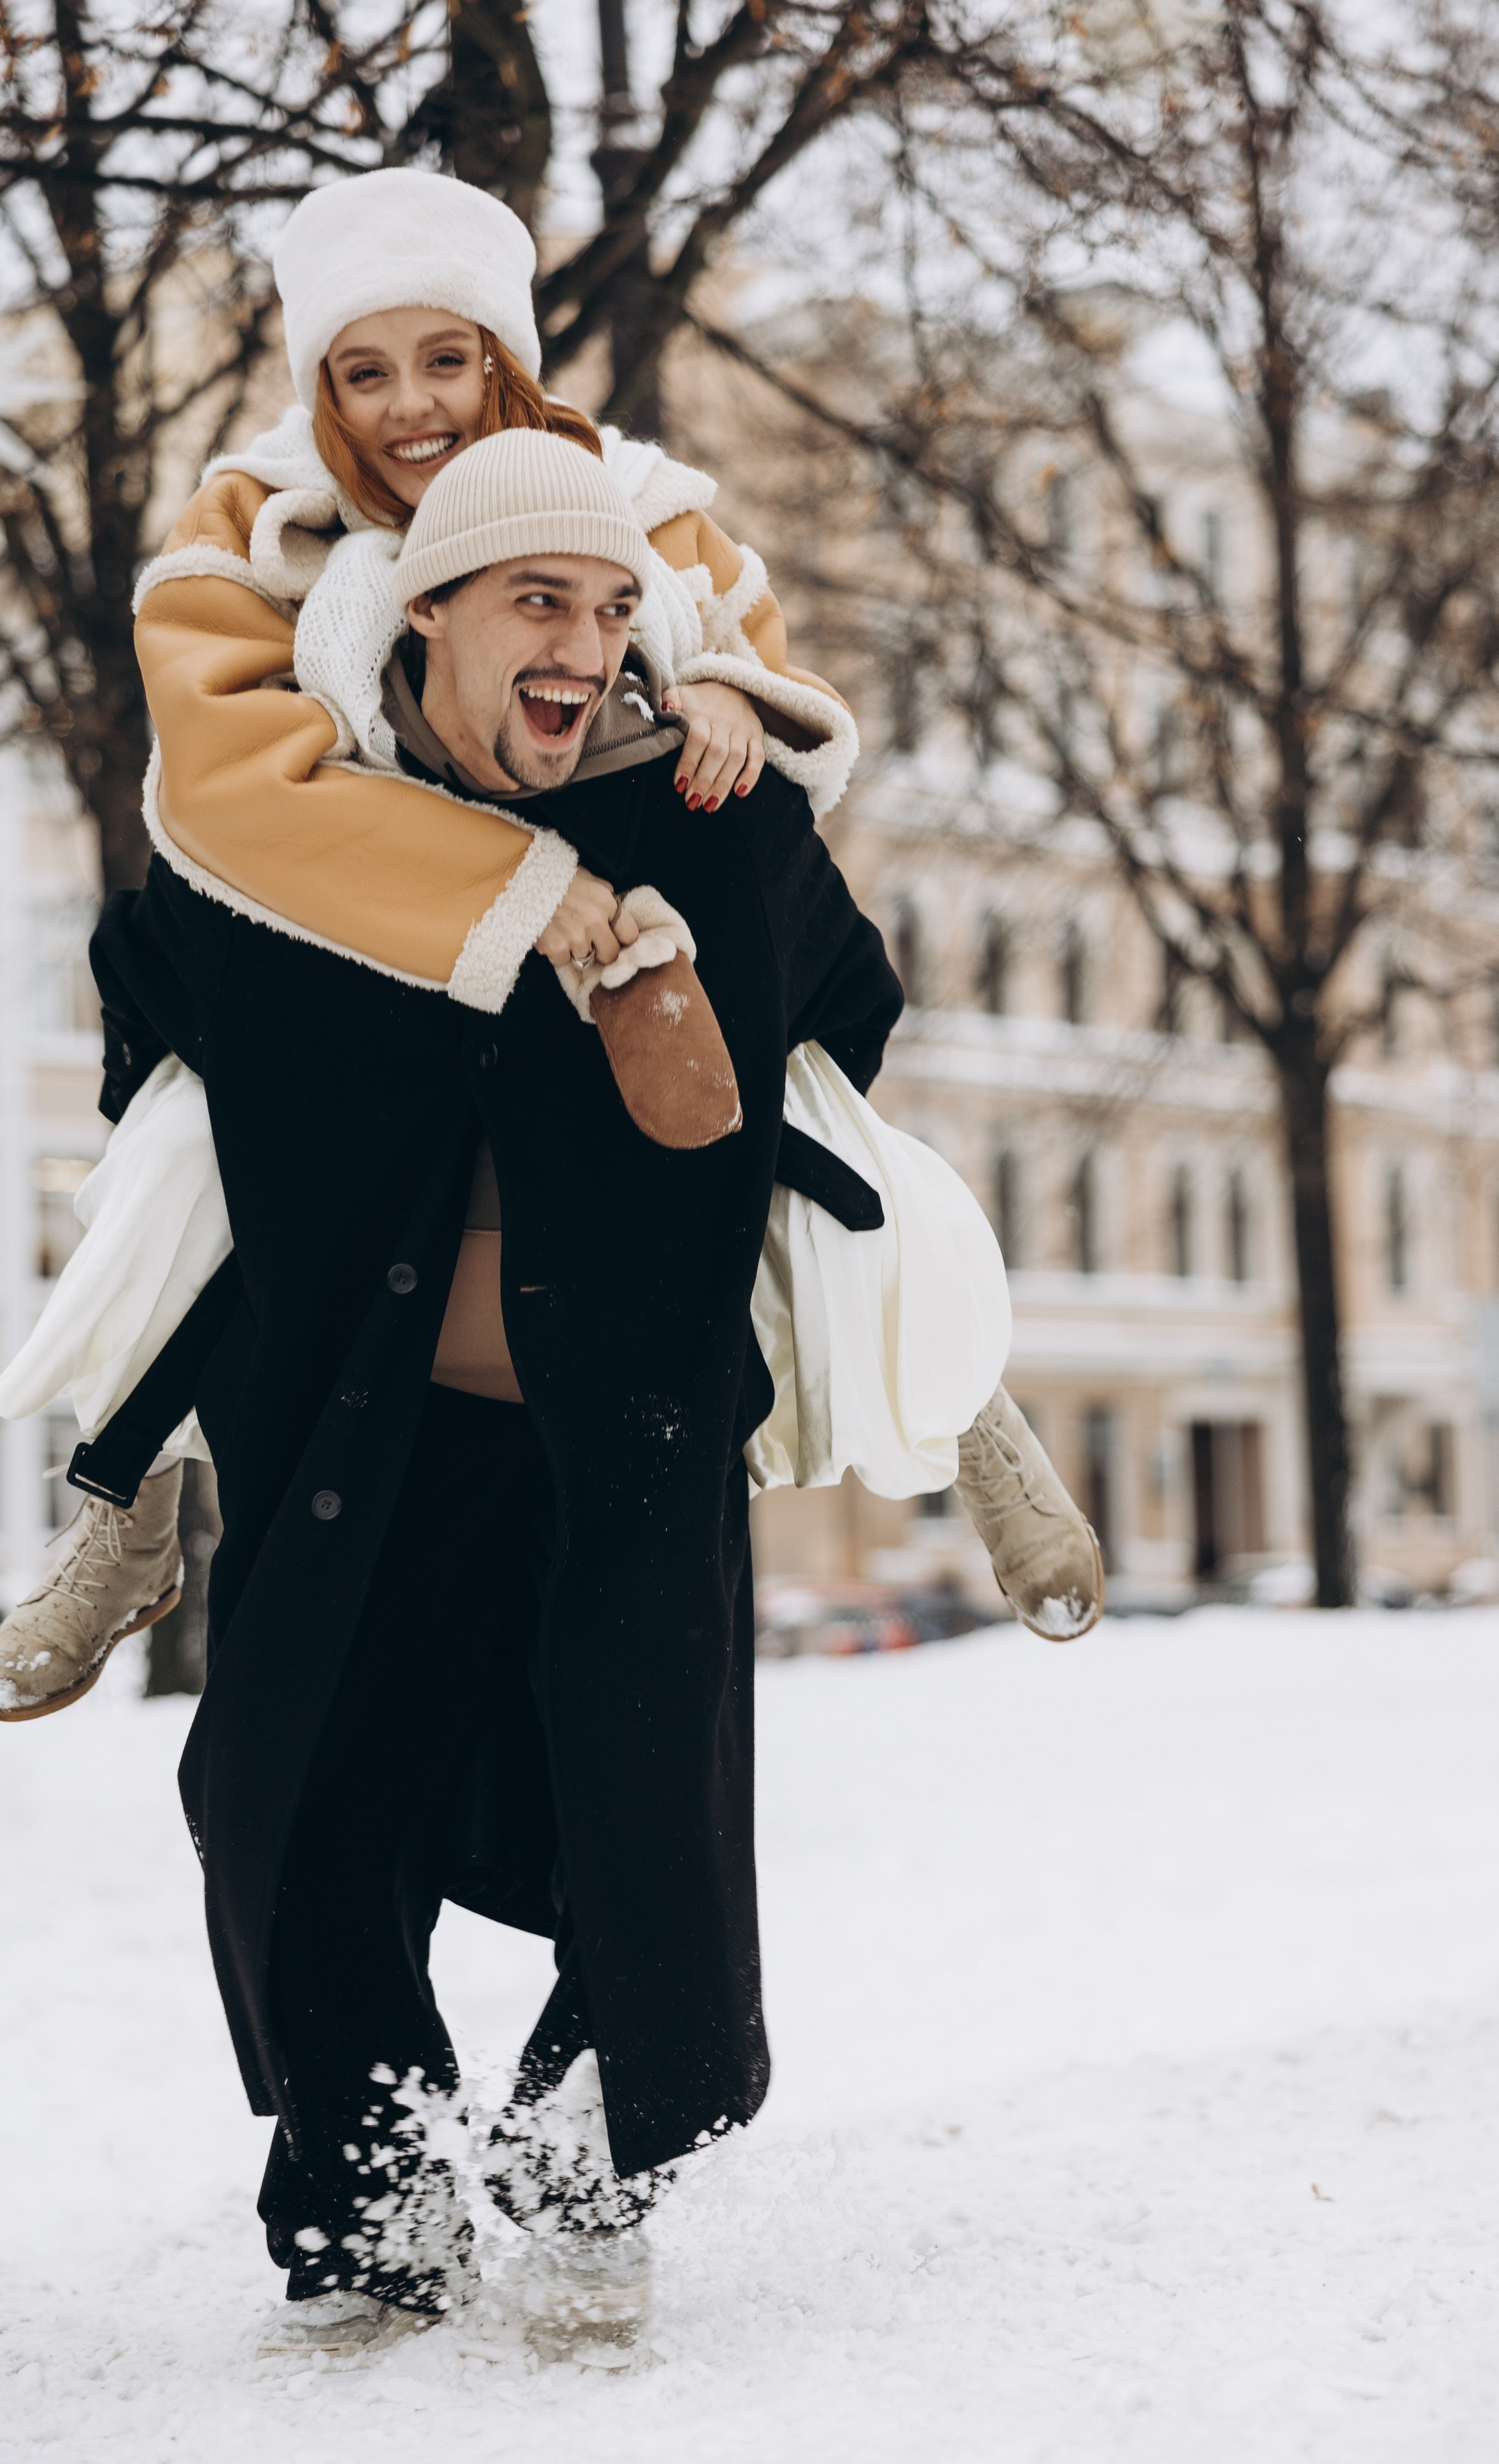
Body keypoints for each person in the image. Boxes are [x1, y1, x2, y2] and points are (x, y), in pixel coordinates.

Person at [0, 173, 1102, 1719]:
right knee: (177, 1157)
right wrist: (521, 888)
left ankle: (966, 1394)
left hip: (626, 905)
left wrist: (724, 695)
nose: (406, 407)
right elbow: (236, 791)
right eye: (361, 372)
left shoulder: (642, 496)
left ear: (500, 355)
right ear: (317, 384)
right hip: (352, 934)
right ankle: (126, 1516)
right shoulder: (244, 527)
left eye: (443, 359)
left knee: (789, 1109)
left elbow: (756, 659)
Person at [86, 432, 923, 2357]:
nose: (585, 643)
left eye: (616, 609)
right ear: (429, 612)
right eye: (539, 600)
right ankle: (370, 2190)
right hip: (355, 1435)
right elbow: (145, 987)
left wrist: (728, 781)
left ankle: (588, 2154)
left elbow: (854, 1015)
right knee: (290, 1804)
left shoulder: (702, 824)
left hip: (621, 1435)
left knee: (640, 1812)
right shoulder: (300, 855)